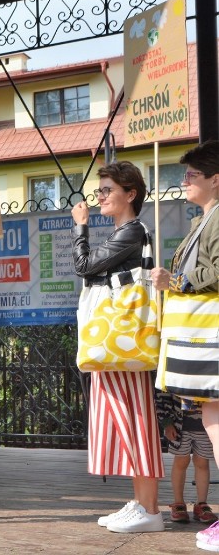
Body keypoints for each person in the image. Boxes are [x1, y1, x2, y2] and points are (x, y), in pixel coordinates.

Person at [72, 161, 164, 533]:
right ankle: (142, 503)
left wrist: (80, 225)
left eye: (108, 190)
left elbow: (83, 265)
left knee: (136, 421)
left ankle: (151, 509)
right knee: (126, 420)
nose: (100, 196)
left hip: (123, 344)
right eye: (100, 190)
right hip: (118, 343)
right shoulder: (128, 232)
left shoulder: (131, 232)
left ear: (131, 194)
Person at [149, 141, 219, 551]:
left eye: (192, 174)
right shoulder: (202, 219)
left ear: (215, 180)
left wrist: (175, 283)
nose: (184, 180)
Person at [157, 393, 216, 524]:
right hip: (179, 425)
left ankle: (201, 504)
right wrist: (167, 423)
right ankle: (178, 503)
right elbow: (162, 395)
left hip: (206, 424)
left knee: (202, 462)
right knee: (181, 461)